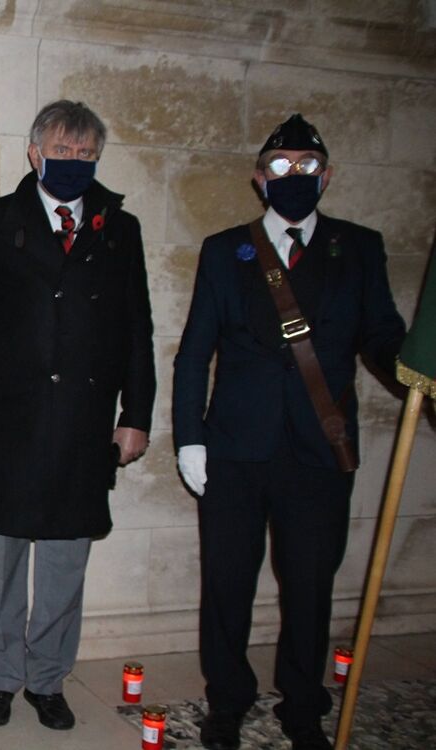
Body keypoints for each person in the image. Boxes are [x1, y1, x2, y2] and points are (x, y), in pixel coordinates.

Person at [173, 114, 406, 750]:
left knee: (309, 585)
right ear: (259, 179)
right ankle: (227, 699)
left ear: (326, 177)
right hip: (236, 448)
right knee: (226, 584)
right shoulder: (228, 249)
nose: (294, 177)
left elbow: (381, 334)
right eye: (281, 167)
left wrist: (416, 367)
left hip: (318, 449)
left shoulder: (358, 247)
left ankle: (303, 706)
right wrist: (189, 437)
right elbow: (196, 350)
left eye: (307, 167)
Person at [0, 100, 156, 731]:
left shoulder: (121, 229)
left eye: (85, 154)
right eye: (61, 152)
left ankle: (47, 679)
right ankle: (1, 677)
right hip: (7, 420)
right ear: (35, 153)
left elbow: (137, 329)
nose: (73, 163)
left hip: (84, 424)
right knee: (1, 560)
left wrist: (135, 413)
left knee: (65, 563)